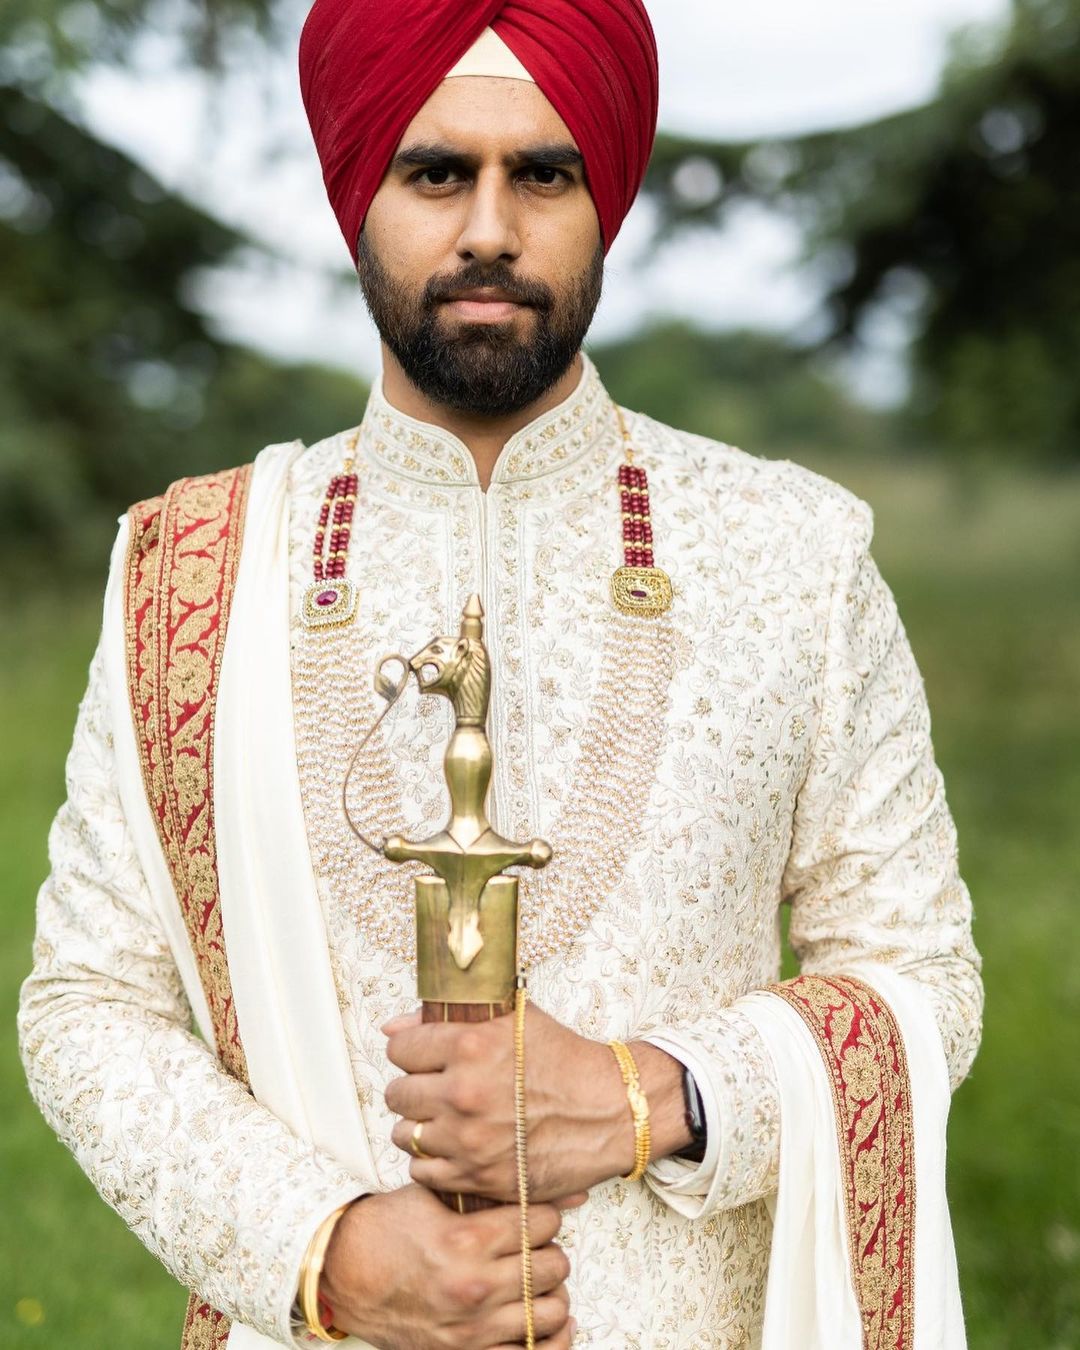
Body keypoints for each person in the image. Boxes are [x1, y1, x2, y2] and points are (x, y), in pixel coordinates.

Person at [18, 2, 983, 1348]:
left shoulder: (794, 558)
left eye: (543, 172)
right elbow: (89, 1002)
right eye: (434, 172)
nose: (488, 227)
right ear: (360, 191)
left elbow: (920, 977)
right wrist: (333, 1252)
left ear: (607, 197)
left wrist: (652, 1094)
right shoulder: (189, 571)